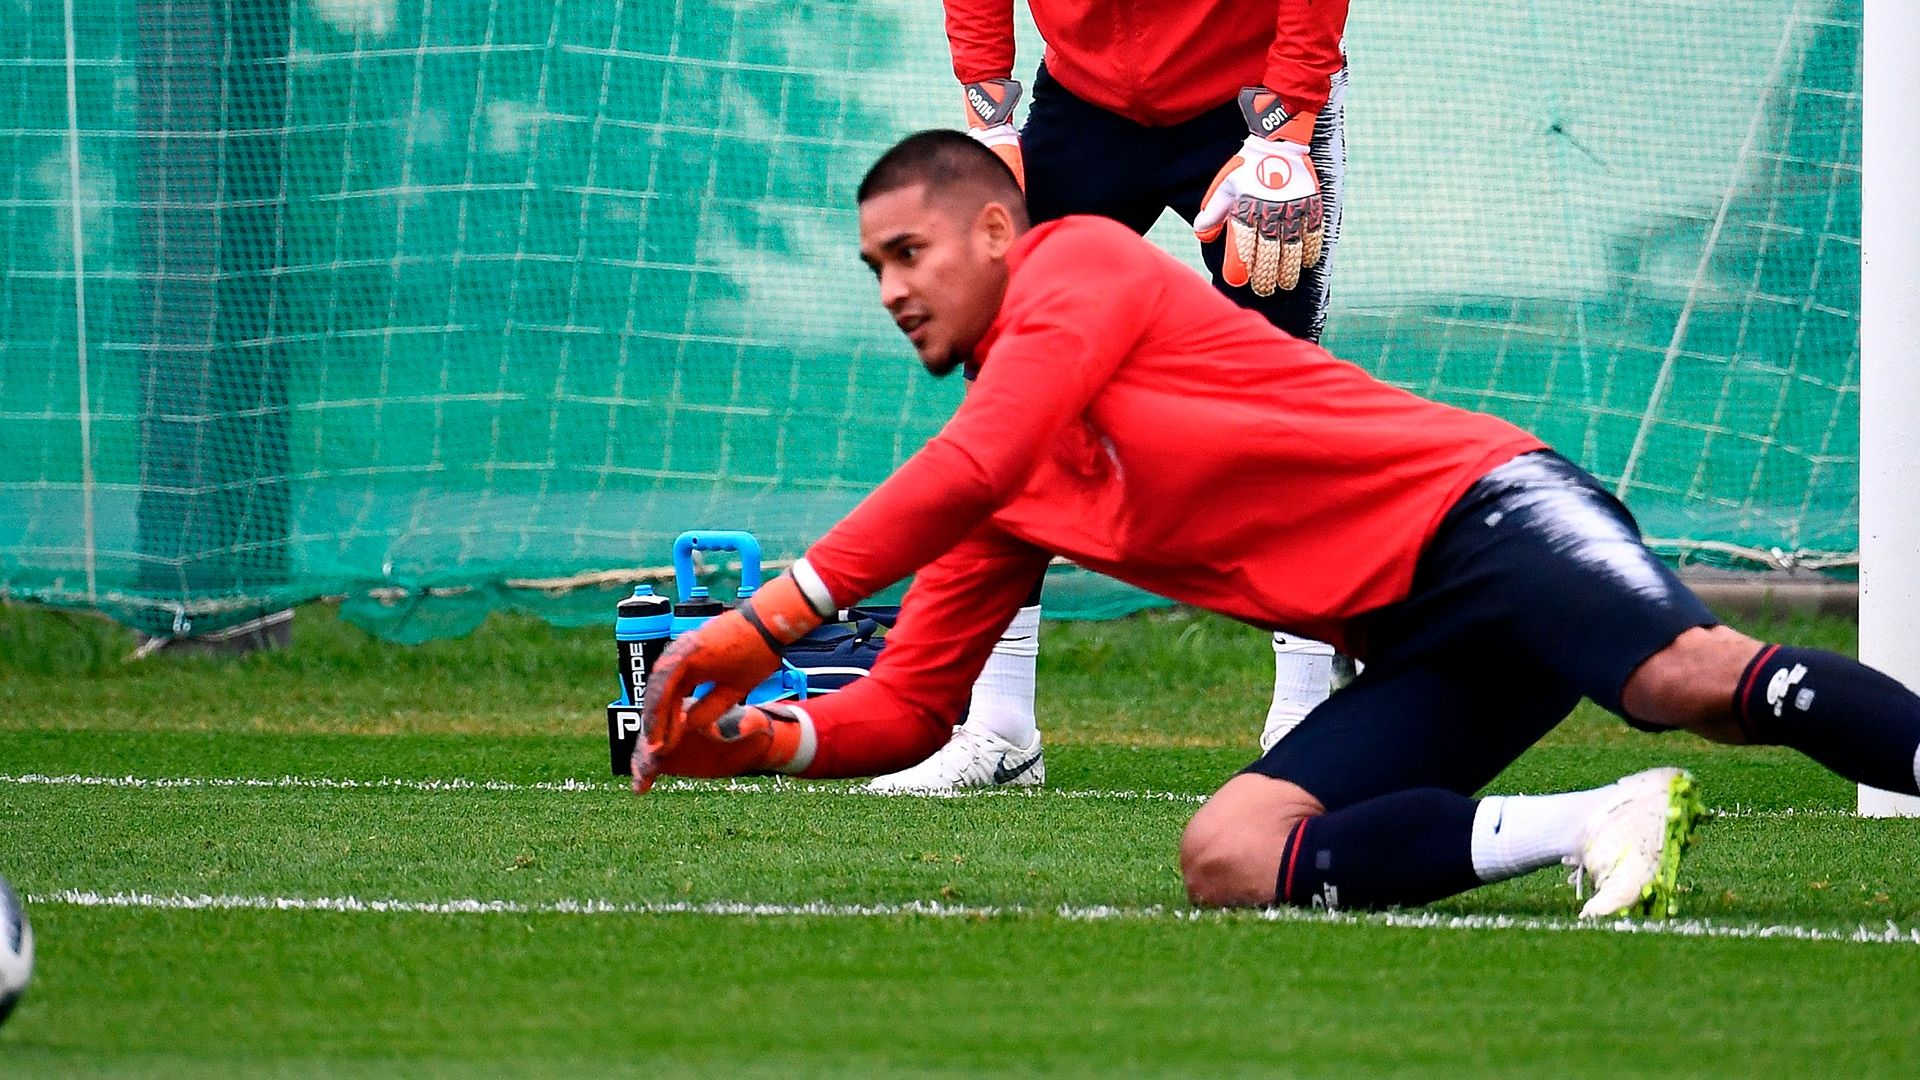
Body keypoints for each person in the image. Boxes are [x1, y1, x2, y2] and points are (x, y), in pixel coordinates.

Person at [632, 132, 1920, 918]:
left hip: (1490, 516)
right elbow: (914, 705)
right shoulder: (996, 476)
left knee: (1685, 678)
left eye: (910, 253)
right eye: (873, 271)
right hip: (1415, 637)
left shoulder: (1078, 261)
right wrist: (763, 738)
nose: (893, 290)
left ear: (993, 230)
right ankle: (1593, 823)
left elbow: (984, 453)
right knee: (1231, 858)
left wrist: (770, 619)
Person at [883, 0, 1358, 791]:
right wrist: (989, 112)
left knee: (1277, 402)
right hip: (1085, 101)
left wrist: (1289, 121)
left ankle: (1307, 719)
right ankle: (1000, 728)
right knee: (1009, 383)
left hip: (1250, 104)